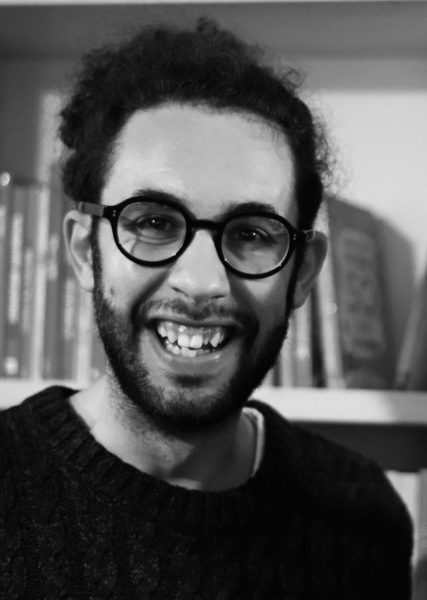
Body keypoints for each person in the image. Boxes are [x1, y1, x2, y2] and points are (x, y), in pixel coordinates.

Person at [0, 18, 412, 599]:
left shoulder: (363, 520)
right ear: (84, 252)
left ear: (302, 273)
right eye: (153, 222)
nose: (200, 283)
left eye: (251, 234)